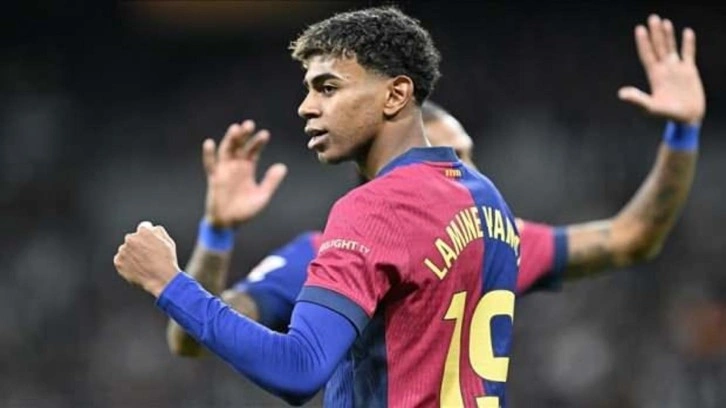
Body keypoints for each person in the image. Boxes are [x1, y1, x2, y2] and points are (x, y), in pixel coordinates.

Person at [166, 12, 705, 346]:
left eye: (465, 158)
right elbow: (191, 338)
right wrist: (217, 234)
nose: (461, 173)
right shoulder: (320, 255)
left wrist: (683, 134)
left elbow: (633, 237)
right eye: (452, 156)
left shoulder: (493, 237)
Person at [115, 6, 521, 407]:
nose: (306, 106)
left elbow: (299, 369)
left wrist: (167, 281)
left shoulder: (376, 208)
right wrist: (217, 231)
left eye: (328, 88)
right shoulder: (488, 200)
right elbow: (189, 341)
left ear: (395, 95)